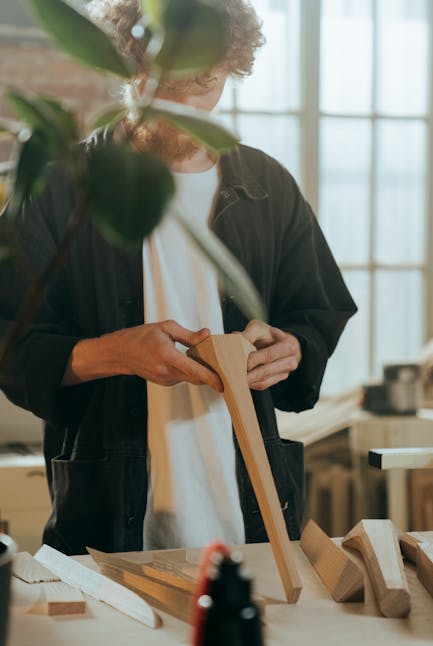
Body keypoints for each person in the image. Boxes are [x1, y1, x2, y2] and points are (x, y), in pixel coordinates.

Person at [0, 0, 357, 555]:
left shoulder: (268, 186)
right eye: (168, 86)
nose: (190, 107)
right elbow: (9, 343)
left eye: (208, 83)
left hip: (256, 522)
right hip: (106, 522)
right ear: (125, 70)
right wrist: (116, 353)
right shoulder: (60, 188)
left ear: (231, 69)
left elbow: (315, 315)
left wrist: (291, 350)